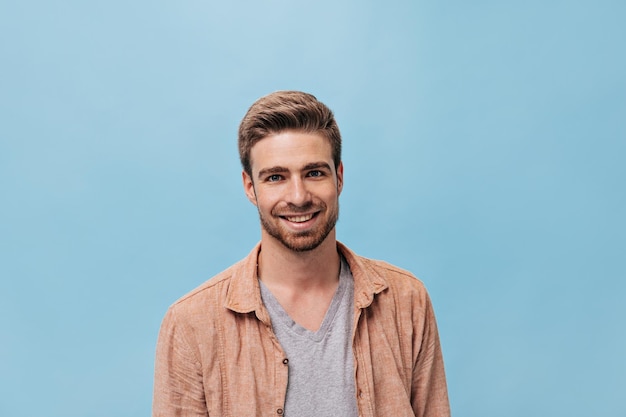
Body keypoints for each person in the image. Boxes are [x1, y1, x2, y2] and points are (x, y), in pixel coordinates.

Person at [153, 91, 451, 417]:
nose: (298, 196)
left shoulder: (406, 301)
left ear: (339, 177)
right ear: (250, 187)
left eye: (314, 173)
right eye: (276, 177)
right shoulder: (191, 324)